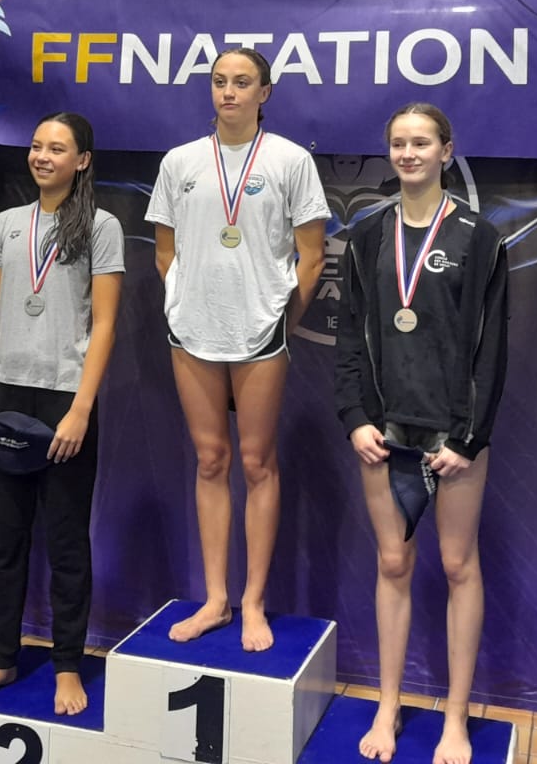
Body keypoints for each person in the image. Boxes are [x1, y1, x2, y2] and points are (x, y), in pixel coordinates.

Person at [334, 103, 508, 764]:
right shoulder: (368, 237)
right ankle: (388, 706)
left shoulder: (478, 238)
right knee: (393, 562)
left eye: (421, 143)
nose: (408, 153)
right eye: (399, 144)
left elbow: (492, 351)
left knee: (459, 565)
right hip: (384, 431)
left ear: (446, 151)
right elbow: (350, 339)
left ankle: (455, 719)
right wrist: (355, 419)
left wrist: (469, 438)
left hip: (453, 435)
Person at [144, 47, 329, 652]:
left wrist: (279, 319)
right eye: (220, 81)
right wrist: (182, 303)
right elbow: (165, 253)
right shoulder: (179, 162)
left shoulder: (290, 160)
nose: (228, 91)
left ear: (264, 93)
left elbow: (312, 256)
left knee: (256, 463)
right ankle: (216, 599)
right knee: (210, 461)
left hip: (261, 333)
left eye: (242, 82)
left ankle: (253, 602)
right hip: (192, 331)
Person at [0, 113, 123, 717]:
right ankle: (0, 657)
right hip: (5, 397)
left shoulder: (101, 227)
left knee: (68, 543)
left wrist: (81, 409)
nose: (42, 156)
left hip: (65, 400)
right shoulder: (7, 224)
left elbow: (105, 324)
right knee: (7, 541)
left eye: (57, 148)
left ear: (82, 160)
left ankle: (67, 663)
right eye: (36, 146)